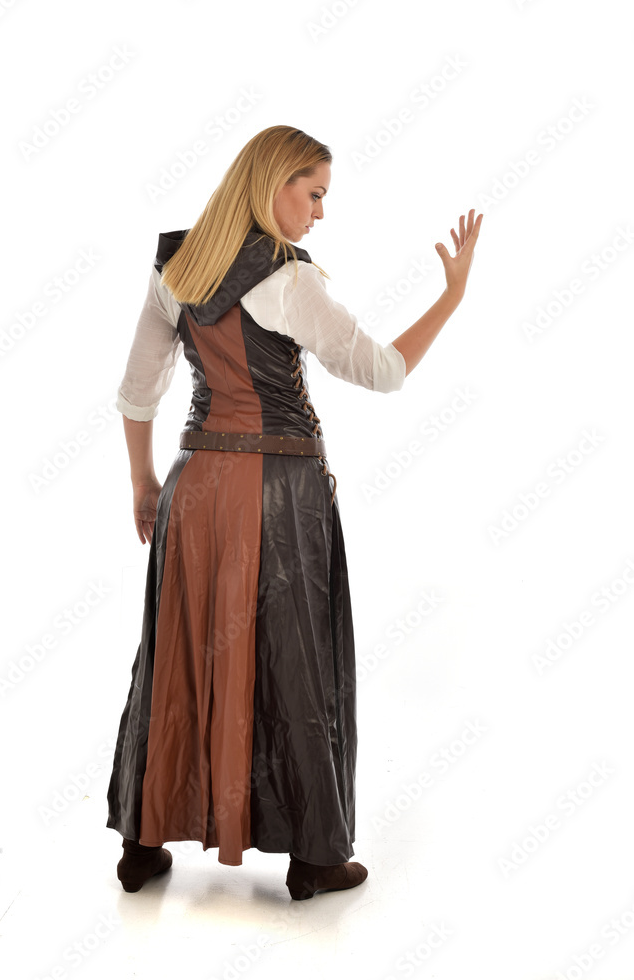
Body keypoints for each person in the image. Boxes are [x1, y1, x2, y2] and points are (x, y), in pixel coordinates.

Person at [105, 125, 483, 900]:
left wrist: (143, 484)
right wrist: (451, 297)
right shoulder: (287, 279)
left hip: (192, 487)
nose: (317, 214)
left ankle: (142, 847)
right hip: (278, 492)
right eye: (312, 194)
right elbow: (380, 371)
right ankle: (312, 856)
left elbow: (138, 389)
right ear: (271, 183)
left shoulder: (173, 270)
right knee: (293, 658)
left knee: (177, 653)